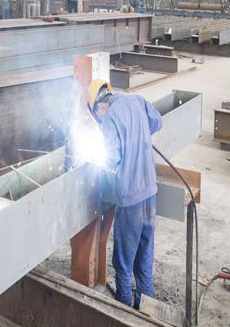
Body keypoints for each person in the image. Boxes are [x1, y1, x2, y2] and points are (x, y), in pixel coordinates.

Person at [87, 79, 163, 309]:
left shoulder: (110, 116)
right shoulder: (137, 100)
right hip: (151, 192)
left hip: (131, 199)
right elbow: (157, 122)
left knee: (123, 261)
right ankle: (145, 309)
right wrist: (137, 136)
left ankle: (122, 310)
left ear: (99, 107)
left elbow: (111, 158)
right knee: (144, 256)